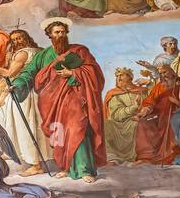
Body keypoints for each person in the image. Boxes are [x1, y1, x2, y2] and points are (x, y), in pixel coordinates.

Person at [8, 18, 107, 182]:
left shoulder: (79, 51)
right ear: (49, 35)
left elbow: (94, 71)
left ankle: (85, 170)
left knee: (78, 128)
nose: (60, 35)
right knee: (59, 133)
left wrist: (73, 73)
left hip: (75, 97)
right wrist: (17, 84)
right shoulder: (43, 55)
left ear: (66, 33)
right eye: (57, 32)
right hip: (52, 104)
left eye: (63, 32)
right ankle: (66, 168)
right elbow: (29, 72)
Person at [0, 29, 53, 174]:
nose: (17, 41)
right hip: (34, 92)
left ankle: (36, 165)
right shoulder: (39, 51)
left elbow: (9, 74)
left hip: (23, 93)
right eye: (14, 39)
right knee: (11, 122)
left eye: (20, 38)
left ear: (26, 37)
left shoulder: (23, 53)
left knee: (25, 127)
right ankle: (12, 151)